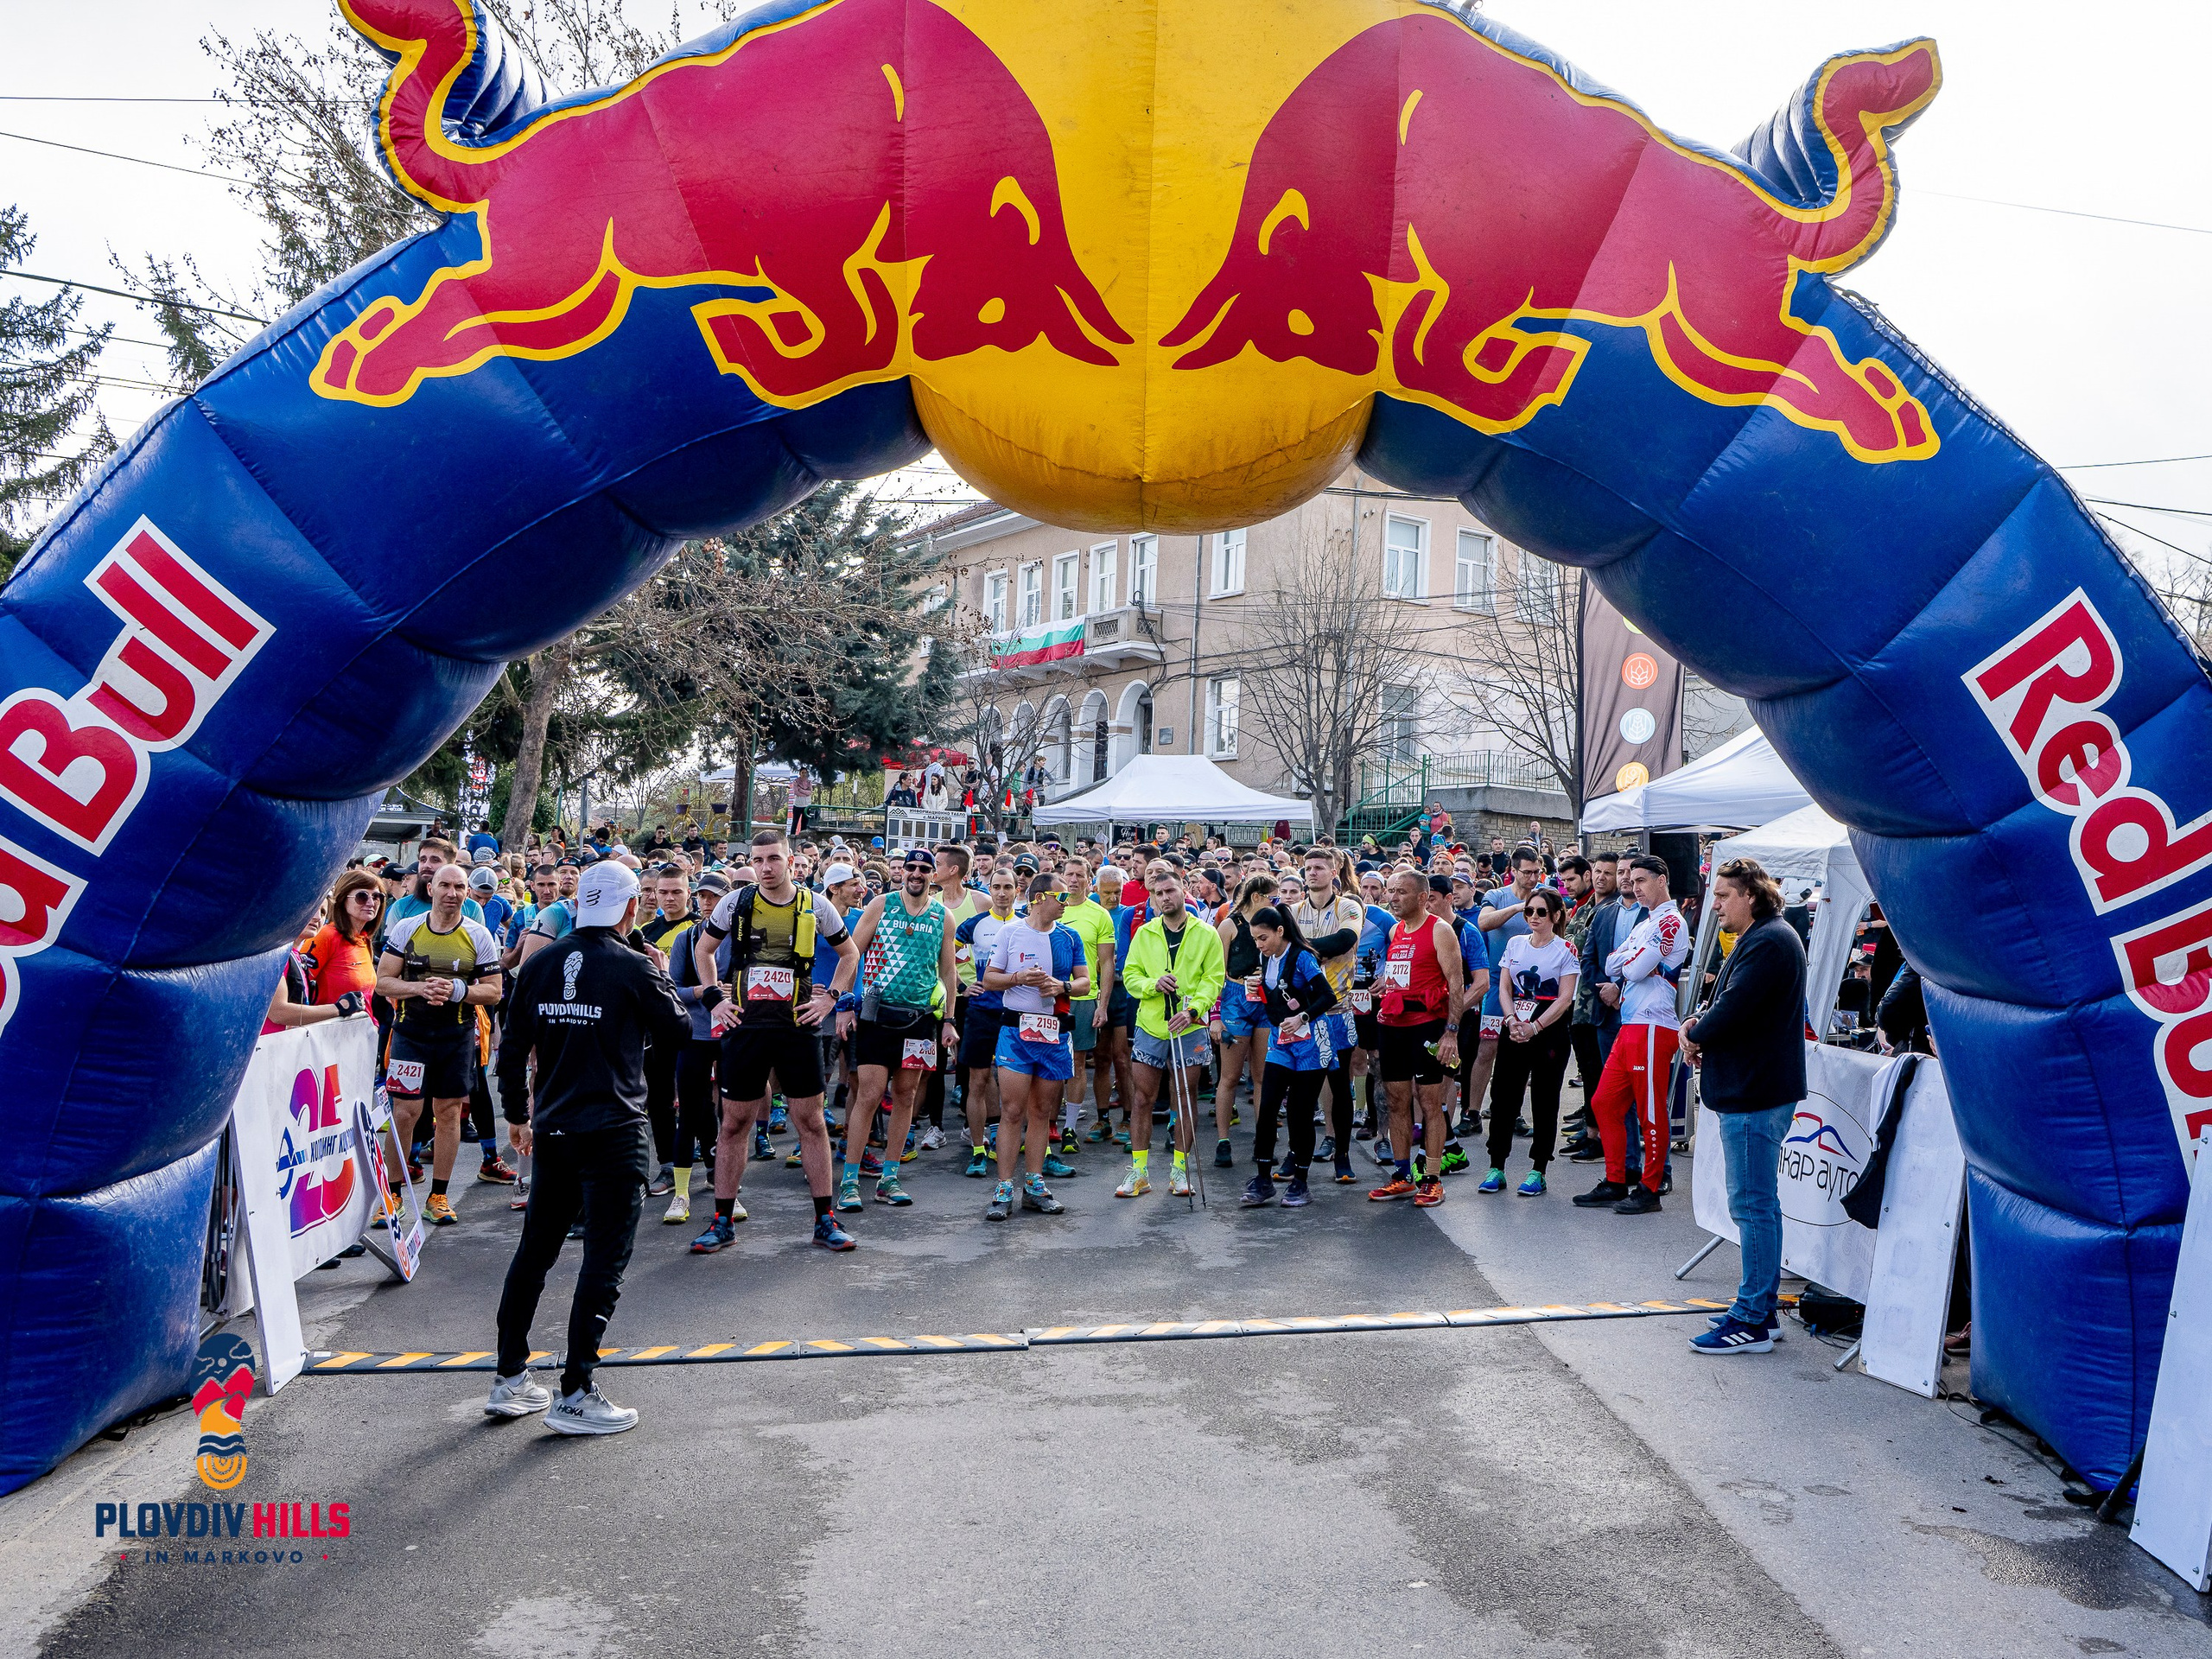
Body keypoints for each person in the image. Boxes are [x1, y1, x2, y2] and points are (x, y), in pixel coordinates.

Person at [486, 860, 691, 1433]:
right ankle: (575, 1391)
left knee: (536, 1253)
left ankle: (509, 1380)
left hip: (554, 1128)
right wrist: (660, 974)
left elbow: (510, 1049)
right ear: (630, 908)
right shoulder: (634, 966)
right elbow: (679, 1033)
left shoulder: (540, 961)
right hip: (615, 1132)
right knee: (604, 1261)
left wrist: (518, 1116)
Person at [690, 830, 860, 1254]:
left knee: (812, 1122)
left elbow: (850, 954)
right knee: (733, 1124)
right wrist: (713, 999)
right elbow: (704, 951)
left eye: (774, 859)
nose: (766, 868)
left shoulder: (815, 904)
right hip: (745, 1027)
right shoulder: (736, 902)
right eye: (759, 860)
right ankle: (722, 1222)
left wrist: (832, 1000)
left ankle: (825, 1220)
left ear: (790, 860)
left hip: (796, 1027)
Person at [1679, 857, 1807, 1353]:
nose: (1715, 907)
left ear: (1750, 895)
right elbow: (1726, 1002)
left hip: (1757, 1093)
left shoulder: (1770, 940)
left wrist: (1695, 1032)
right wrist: (1699, 1025)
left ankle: (1753, 1317)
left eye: (1723, 896)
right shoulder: (1765, 937)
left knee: (1753, 1206)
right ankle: (1760, 1310)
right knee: (1755, 1205)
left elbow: (1732, 1009)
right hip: (1755, 1088)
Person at [830, 847, 959, 1211]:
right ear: (900, 872)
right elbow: (852, 953)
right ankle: (851, 1181)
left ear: (933, 875)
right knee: (869, 1096)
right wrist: (844, 1004)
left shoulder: (943, 916)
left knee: (906, 1097)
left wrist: (949, 1020)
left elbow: (948, 971)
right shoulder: (882, 904)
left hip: (919, 1020)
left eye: (924, 869)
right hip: (876, 1015)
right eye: (910, 868)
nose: (916, 874)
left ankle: (889, 1178)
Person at [375, 862, 504, 1226]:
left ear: (467, 892)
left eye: (459, 887)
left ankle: (439, 1196)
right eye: (444, 885)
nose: (452, 893)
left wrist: (457, 990)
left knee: (448, 1113)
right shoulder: (407, 928)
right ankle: (393, 1195)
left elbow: (494, 991)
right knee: (405, 1113)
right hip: (410, 1036)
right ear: (430, 889)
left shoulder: (479, 935)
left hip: (456, 1038)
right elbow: (382, 981)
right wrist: (419, 987)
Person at [1575, 855, 1688, 1215]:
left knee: (1650, 1112)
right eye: (1631, 879)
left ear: (1661, 880)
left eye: (1641, 880)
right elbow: (1611, 963)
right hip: (1631, 1023)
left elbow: (1634, 968)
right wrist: (1634, 959)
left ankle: (1651, 1188)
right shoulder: (1647, 924)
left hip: (1655, 1024)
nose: (1635, 886)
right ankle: (1617, 1178)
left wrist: (1633, 959)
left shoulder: (1671, 921)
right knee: (1604, 1103)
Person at [980, 873, 1090, 1220]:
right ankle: (1003, 1189)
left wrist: (1063, 987)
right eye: (1062, 897)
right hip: (1017, 1030)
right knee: (1013, 1112)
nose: (1067, 902)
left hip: (1055, 1033)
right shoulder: (1011, 931)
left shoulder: (1069, 936)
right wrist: (1017, 978)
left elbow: (1086, 983)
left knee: (1043, 1113)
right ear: (1040, 898)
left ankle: (1034, 1184)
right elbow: (989, 979)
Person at [1117, 861, 1225, 1198]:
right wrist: (1153, 983)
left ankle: (1180, 1171)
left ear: (1184, 891)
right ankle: (1139, 1172)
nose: (1165, 897)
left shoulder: (1206, 933)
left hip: (1189, 1027)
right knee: (1141, 1098)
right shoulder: (1145, 932)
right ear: (1152, 899)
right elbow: (1130, 975)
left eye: (1170, 891)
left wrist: (1194, 1010)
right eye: (1158, 894)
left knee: (1185, 1097)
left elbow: (1214, 979)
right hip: (1151, 1025)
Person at [1370, 868, 1471, 1206]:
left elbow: (1456, 985)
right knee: (1397, 1101)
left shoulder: (1441, 931)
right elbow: (1406, 972)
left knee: (1430, 1104)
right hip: (1393, 1025)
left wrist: (1451, 1033)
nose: (1393, 897)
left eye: (1400, 892)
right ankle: (1401, 1176)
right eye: (1391, 891)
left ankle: (1431, 1178)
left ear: (1422, 897)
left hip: (1427, 1027)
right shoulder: (1397, 929)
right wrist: (1387, 983)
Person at [1478, 887, 1578, 1195]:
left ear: (1556, 916)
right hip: (1516, 1022)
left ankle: (1539, 1169)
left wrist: (1536, 1027)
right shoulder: (1515, 943)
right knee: (1504, 1095)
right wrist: (1510, 1021)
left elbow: (1565, 998)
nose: (1534, 917)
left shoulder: (1566, 950)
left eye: (1541, 912)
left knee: (1545, 1099)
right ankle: (1497, 1165)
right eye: (1529, 911)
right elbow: (1505, 987)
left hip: (1548, 1026)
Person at [1239, 904, 1340, 1209]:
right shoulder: (1264, 958)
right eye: (1255, 939)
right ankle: (1263, 1177)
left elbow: (1328, 997)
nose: (1259, 945)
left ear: (1280, 932)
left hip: (1311, 1041)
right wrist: (1253, 987)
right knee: (1268, 1105)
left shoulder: (1302, 957)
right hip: (1281, 1040)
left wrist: (1303, 1018)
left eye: (1262, 938)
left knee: (1299, 1111)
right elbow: (1270, 997)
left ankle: (1301, 1181)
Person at [1287, 847, 1366, 1178]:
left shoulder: (1349, 905)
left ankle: (1343, 1156)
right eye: (1308, 868)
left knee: (1340, 1085)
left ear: (1334, 872)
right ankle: (1295, 1154)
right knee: (1300, 1090)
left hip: (1337, 1010)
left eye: (1320, 867)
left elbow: (1345, 940)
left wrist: (1303, 951)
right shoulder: (1291, 910)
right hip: (1300, 1011)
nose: (1312, 873)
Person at [955, 866, 1025, 1175]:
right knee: (978, 1081)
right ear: (990, 890)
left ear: (1016, 891)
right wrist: (960, 987)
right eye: (996, 887)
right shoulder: (976, 924)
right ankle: (979, 1149)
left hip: (1016, 1012)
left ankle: (1014, 1142)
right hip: (981, 1010)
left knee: (1019, 1084)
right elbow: (945, 954)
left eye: (1007, 887)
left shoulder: (1027, 925)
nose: (1001, 893)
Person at [1209, 873, 1277, 1169]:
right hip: (1236, 997)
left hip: (1264, 997)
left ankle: (1263, 1139)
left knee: (1262, 1075)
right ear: (1258, 897)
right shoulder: (1229, 925)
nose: (1278, 903)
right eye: (1273, 898)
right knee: (1229, 1076)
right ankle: (1223, 1140)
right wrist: (1215, 1015)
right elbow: (1215, 973)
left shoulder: (1275, 923)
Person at [303, 870, 384, 1006]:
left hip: (360, 1025)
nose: (371, 903)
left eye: (377, 897)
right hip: (327, 1025)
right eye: (362, 896)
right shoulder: (326, 936)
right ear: (342, 899)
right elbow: (297, 988)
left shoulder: (364, 940)